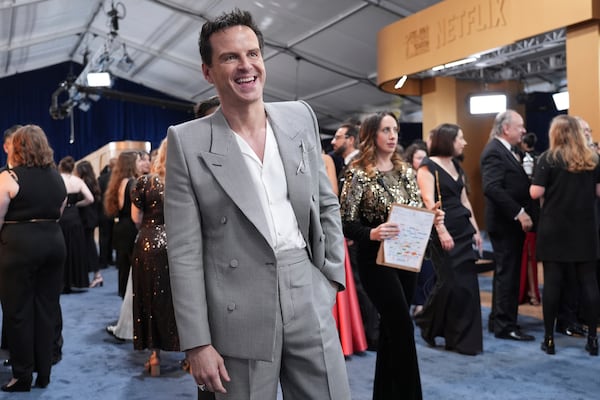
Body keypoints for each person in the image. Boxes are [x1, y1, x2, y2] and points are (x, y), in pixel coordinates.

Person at [164, 9, 350, 400]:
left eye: (253, 54)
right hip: (236, 303)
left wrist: (329, 279)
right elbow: (183, 251)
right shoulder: (188, 141)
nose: (245, 66)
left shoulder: (300, 117)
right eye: (230, 57)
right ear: (207, 71)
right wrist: (197, 343)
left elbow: (326, 204)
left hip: (306, 287)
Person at [340, 112, 441, 399]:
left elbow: (415, 208)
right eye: (386, 130)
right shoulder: (357, 172)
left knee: (391, 328)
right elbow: (345, 220)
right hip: (374, 258)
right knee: (401, 325)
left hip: (406, 255)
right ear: (371, 134)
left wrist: (431, 215)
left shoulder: (406, 170)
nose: (393, 135)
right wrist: (371, 233)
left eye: (395, 129)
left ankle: (385, 394)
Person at [0, 125, 67, 391]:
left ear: (17, 148)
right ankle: (45, 373)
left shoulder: (8, 177)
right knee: (47, 310)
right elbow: (59, 211)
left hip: (18, 246)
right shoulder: (56, 176)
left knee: (18, 312)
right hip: (53, 243)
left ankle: (22, 376)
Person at [530, 114, 600, 356]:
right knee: (589, 283)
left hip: (555, 229)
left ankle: (549, 339)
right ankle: (593, 339)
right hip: (585, 228)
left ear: (556, 133)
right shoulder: (593, 159)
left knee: (552, 284)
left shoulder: (547, 159)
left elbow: (534, 192)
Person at [414, 123, 483, 356]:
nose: (464, 142)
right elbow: (428, 201)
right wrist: (441, 231)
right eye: (460, 138)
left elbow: (465, 201)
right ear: (448, 140)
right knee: (450, 284)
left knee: (467, 286)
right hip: (443, 231)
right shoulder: (427, 167)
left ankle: (462, 340)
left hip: (463, 230)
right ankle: (429, 322)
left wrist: (475, 230)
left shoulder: (456, 165)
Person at [480, 109, 535, 341]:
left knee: (505, 275)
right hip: (505, 223)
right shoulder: (494, 151)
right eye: (519, 126)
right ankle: (505, 326)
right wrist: (519, 212)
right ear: (506, 129)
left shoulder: (507, 150)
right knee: (507, 275)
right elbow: (492, 188)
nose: (523, 130)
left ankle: (499, 320)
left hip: (507, 224)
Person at [130, 139, 180, 376]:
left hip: (148, 245)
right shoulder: (184, 181)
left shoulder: (144, 183)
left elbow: (136, 219)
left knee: (150, 298)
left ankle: (155, 357)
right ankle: (191, 355)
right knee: (181, 299)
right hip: (180, 244)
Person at [404, 141, 435, 317]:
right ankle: (415, 303)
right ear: (411, 159)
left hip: (427, 226)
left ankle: (423, 304)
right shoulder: (406, 176)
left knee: (427, 268)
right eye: (419, 157)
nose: (423, 160)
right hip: (410, 227)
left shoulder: (429, 175)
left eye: (425, 157)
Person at [104, 151, 139, 299]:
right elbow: (135, 215)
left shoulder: (118, 182)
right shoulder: (132, 183)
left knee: (123, 266)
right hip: (130, 227)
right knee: (132, 266)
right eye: (137, 161)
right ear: (131, 163)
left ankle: (123, 294)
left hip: (119, 227)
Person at [58, 156, 93, 292]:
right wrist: (77, 204)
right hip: (75, 217)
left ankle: (63, 282)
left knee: (64, 249)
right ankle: (75, 280)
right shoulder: (78, 181)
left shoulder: (58, 179)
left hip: (62, 217)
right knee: (75, 249)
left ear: (60, 167)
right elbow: (90, 199)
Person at [75, 160, 103, 288]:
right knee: (90, 245)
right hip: (92, 217)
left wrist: (75, 204)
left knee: (89, 246)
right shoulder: (94, 182)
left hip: (85, 218)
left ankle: (97, 275)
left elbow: (85, 200)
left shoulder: (84, 183)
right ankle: (96, 274)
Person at [97, 157, 117, 269]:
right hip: (114, 211)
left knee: (103, 237)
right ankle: (110, 259)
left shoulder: (101, 178)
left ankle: (103, 260)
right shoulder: (118, 179)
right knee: (112, 236)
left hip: (103, 211)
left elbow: (98, 196)